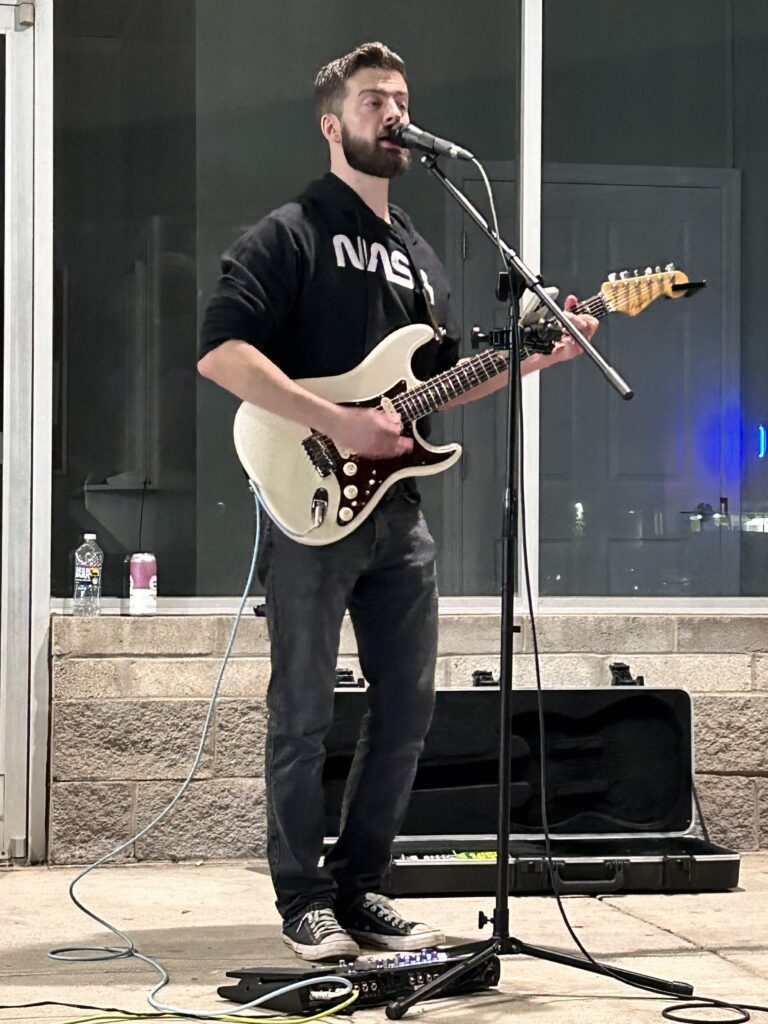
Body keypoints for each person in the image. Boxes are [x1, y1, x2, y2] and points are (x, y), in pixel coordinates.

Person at [198, 41, 598, 962]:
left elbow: (441, 383)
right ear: (333, 124)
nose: (394, 111)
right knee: (301, 710)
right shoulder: (290, 231)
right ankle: (302, 898)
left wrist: (533, 354)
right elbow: (223, 353)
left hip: (397, 515)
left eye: (404, 98)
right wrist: (335, 420)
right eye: (375, 98)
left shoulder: (420, 250)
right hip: (310, 503)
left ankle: (363, 887)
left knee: (409, 710)